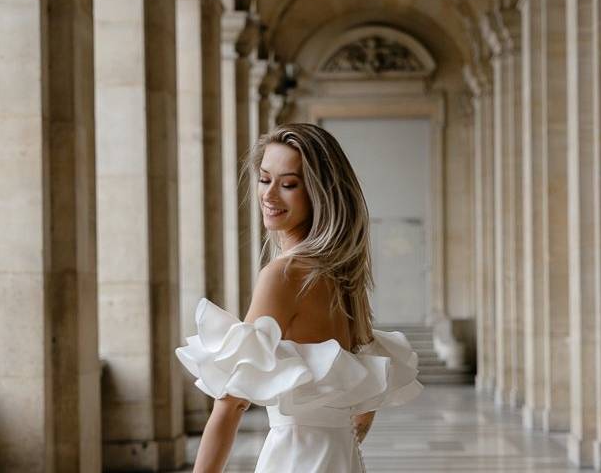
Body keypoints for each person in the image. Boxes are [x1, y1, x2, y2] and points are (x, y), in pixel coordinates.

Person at [176, 123, 423, 473]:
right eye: (264, 179)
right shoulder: (344, 279)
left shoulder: (282, 275)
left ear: (319, 193)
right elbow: (366, 405)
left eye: (289, 184)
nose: (269, 194)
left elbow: (231, 405)